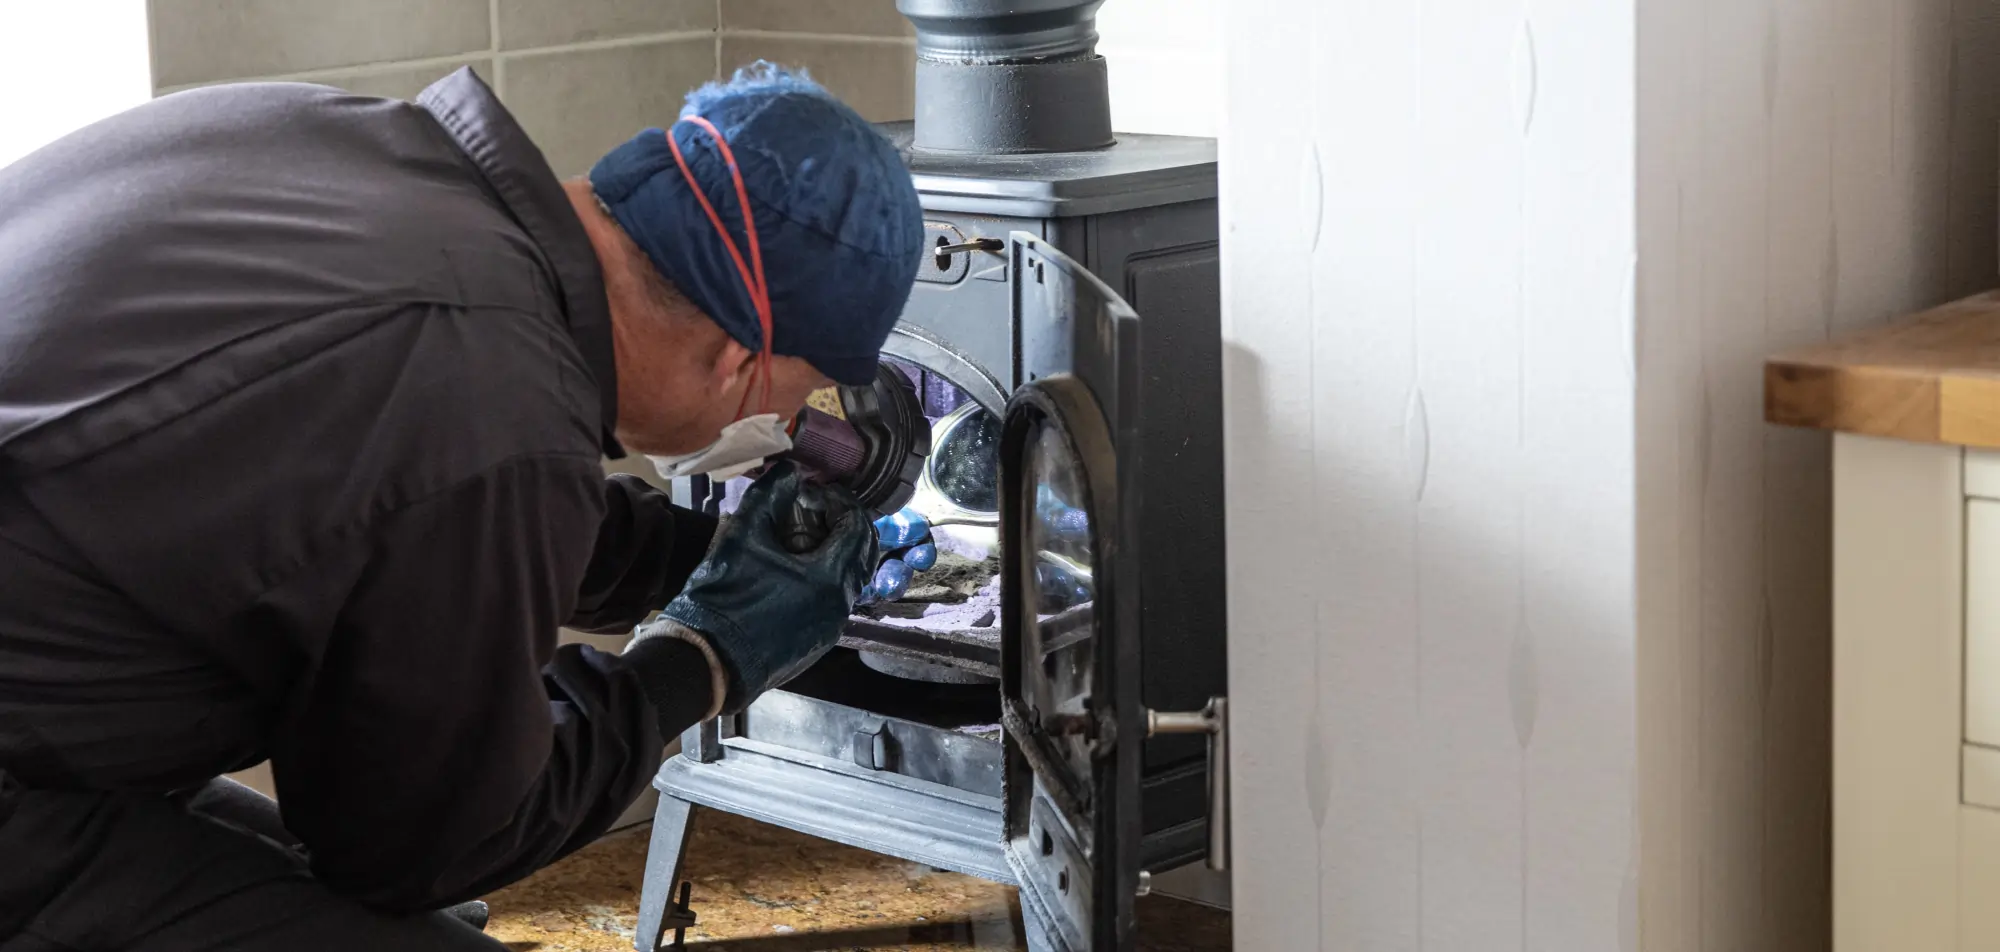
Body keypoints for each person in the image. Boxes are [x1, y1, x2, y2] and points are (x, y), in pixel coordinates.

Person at [0, 61, 923, 951]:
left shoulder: (376, 158)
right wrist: (704, 657)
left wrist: (703, 557)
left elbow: (397, 498)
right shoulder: (485, 401)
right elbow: (417, 843)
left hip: (56, 736)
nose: (791, 426)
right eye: (797, 396)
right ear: (735, 355)